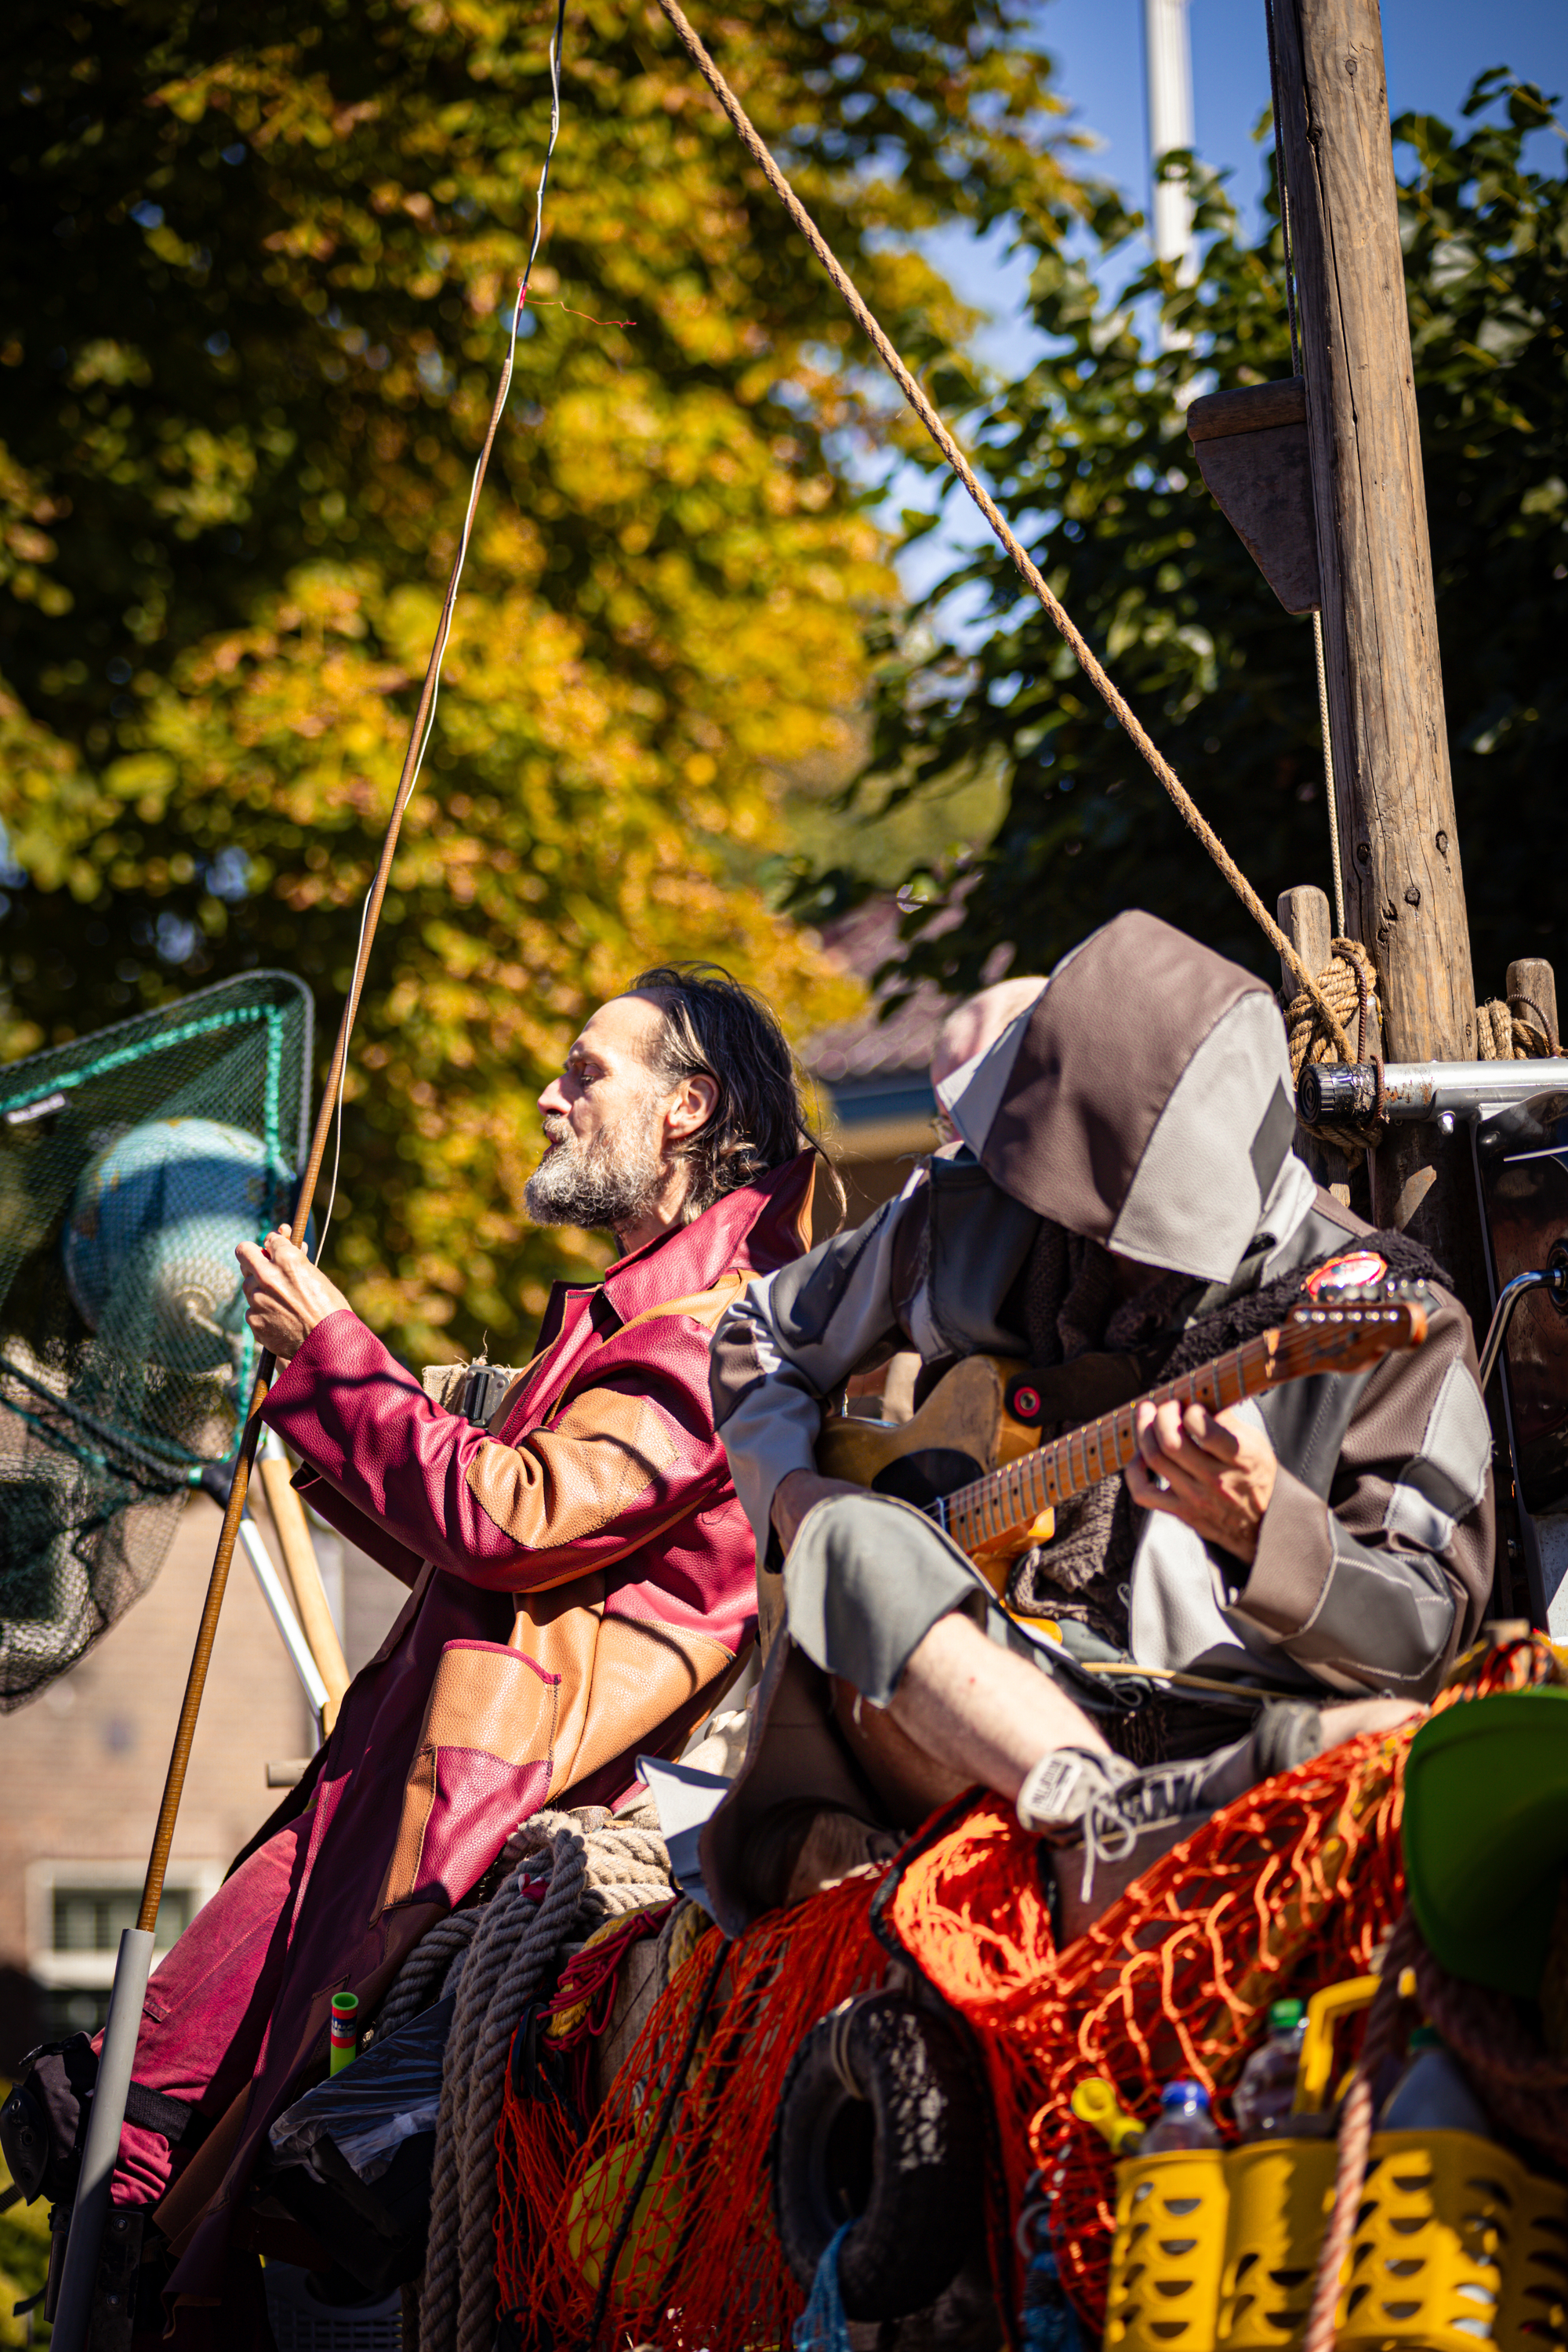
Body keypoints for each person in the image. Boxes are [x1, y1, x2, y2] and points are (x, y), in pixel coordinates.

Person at [9, 965, 825, 2342]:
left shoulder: (713, 1338)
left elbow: (511, 1521)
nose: (552, 1097)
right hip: (416, 1803)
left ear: (688, 1110)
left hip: (485, 1831)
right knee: (145, 2146)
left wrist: (334, 1356)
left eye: (588, 1071)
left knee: (222, 2197)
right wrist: (320, 1406)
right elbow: (507, 1562)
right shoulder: (635, 1323)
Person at [701, 912, 1494, 1934]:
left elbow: (1430, 1637)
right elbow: (757, 1335)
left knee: (1375, 1739)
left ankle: (1120, 1831)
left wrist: (1271, 1531)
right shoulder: (968, 1215)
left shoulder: (1391, 1313)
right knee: (854, 1539)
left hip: (1228, 1732)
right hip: (961, 1704)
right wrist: (794, 1497)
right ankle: (1098, 1814)